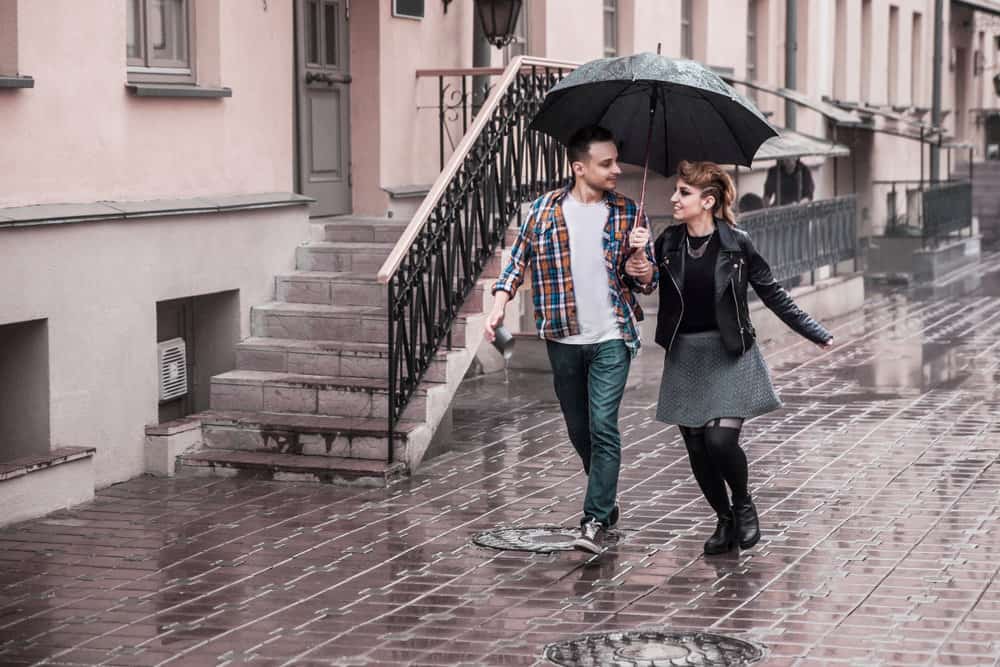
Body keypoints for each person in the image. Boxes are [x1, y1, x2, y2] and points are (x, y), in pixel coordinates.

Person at [486, 125, 658, 555]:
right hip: (562, 338)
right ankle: (605, 493)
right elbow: (515, 264)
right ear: (579, 168)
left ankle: (594, 519)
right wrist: (498, 305)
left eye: (617, 161)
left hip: (613, 336)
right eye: (607, 163)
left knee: (603, 426)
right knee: (579, 430)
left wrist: (640, 259)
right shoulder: (541, 212)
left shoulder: (628, 213)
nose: (617, 169)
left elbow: (647, 282)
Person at [653, 160, 833, 555]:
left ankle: (743, 502)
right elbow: (642, 282)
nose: (674, 198)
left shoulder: (737, 243)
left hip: (730, 353)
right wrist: (634, 259)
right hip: (685, 354)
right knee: (697, 448)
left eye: (684, 192)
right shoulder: (666, 243)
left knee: (719, 441)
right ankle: (724, 519)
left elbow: (773, 293)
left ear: (709, 200)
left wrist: (813, 331)